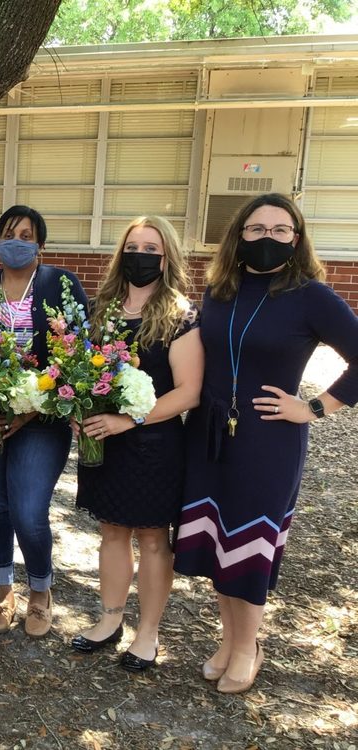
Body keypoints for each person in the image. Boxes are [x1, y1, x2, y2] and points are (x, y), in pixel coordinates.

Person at [173, 193, 358, 693]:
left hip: (269, 438)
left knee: (248, 544)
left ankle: (248, 645)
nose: (267, 239)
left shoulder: (311, 295)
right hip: (210, 433)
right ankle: (230, 640)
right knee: (217, 541)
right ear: (239, 236)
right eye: (256, 230)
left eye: (280, 231)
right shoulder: (219, 290)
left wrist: (315, 407)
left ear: (296, 240)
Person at [70, 216, 204, 671]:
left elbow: (188, 391)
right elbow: (82, 374)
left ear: (167, 258)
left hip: (154, 445)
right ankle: (109, 620)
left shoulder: (181, 317)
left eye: (151, 248)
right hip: (102, 442)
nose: (140, 255)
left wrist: (128, 420)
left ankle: (148, 631)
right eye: (133, 246)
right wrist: (78, 411)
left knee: (151, 538)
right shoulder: (101, 310)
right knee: (110, 531)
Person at [0, 205, 87, 637]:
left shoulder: (60, 284)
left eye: (27, 235)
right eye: (10, 233)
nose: (17, 241)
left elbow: (77, 354)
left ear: (40, 245)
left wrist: (28, 410)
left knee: (29, 512)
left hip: (41, 419)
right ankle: (4, 590)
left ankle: (42, 592)